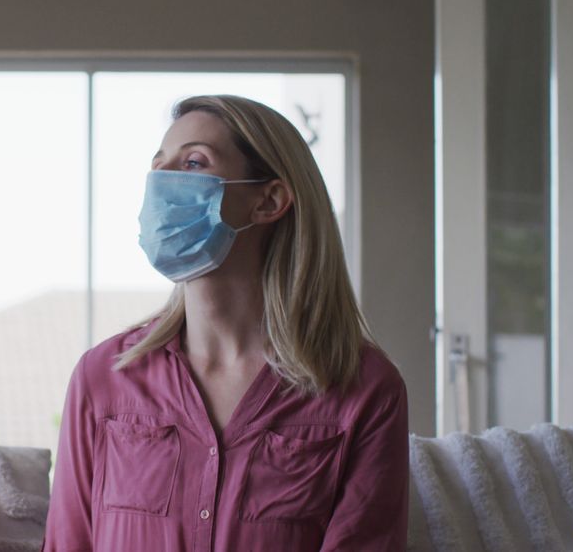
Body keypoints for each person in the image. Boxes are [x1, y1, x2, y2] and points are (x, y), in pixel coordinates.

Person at [41, 94, 409, 551]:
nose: (162, 181)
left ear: (269, 200)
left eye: (193, 162)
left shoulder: (365, 389)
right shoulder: (103, 377)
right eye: (158, 165)